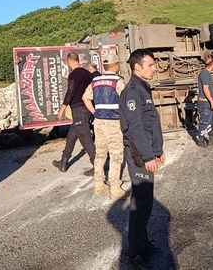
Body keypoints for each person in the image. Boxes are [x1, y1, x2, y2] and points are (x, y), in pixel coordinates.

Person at [119, 48, 166, 268]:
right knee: (141, 202)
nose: (154, 68)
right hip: (139, 154)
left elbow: (150, 124)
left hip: (146, 152)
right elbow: (135, 128)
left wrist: (158, 150)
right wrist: (148, 155)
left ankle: (142, 242)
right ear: (137, 67)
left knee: (145, 201)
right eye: (150, 64)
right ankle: (135, 252)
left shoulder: (142, 89)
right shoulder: (132, 91)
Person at [82, 53, 127, 200]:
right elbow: (126, 101)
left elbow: (85, 97)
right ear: (114, 66)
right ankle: (115, 188)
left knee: (100, 154)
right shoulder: (118, 81)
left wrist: (95, 112)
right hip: (114, 122)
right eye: (118, 64)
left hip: (99, 122)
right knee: (116, 155)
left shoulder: (95, 80)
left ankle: (99, 185)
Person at [52, 52, 96, 175]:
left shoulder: (74, 75)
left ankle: (98, 166)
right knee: (71, 136)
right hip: (87, 108)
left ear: (70, 61)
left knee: (85, 138)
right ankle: (64, 162)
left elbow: (70, 92)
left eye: (67, 63)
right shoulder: (88, 74)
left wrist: (62, 109)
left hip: (79, 109)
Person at [195, 55, 213, 147]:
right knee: (205, 121)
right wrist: (211, 101)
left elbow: (210, 89)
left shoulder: (207, 74)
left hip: (208, 101)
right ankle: (200, 138)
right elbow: (205, 89)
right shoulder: (204, 74)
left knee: (210, 121)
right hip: (204, 102)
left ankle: (211, 139)